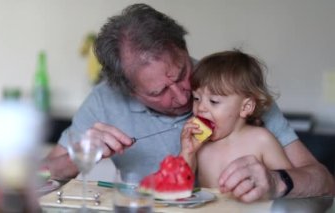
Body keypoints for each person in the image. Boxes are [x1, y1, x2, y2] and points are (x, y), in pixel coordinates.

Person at [44, 3, 334, 202]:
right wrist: (82, 155)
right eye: (159, 92)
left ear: (184, 48)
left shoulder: (231, 89)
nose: (185, 97)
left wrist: (275, 181)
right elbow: (42, 176)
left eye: (182, 72)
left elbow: (322, 180)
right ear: (127, 90)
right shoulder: (104, 101)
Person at [180, 50, 293, 196]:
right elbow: (180, 190)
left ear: (245, 107)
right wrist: (187, 152)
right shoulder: (200, 145)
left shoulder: (261, 140)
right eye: (196, 98)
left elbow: (287, 187)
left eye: (213, 101)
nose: (200, 108)